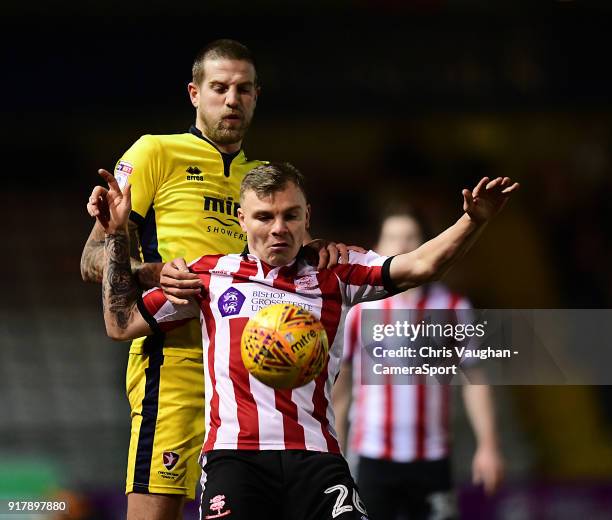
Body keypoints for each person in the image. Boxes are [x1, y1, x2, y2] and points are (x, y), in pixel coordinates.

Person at [93, 161, 518, 519]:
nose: (279, 228)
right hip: (235, 458)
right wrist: (115, 235)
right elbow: (121, 324)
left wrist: (473, 220)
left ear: (307, 216)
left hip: (317, 458)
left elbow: (421, 265)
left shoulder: (336, 272)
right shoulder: (208, 276)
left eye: (290, 216)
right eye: (264, 216)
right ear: (242, 219)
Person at [81, 39, 346, 519]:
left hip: (251, 382)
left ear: (256, 96)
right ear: (193, 94)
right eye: (219, 87)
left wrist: (312, 250)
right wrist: (151, 271)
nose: (231, 99)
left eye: (243, 89)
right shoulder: (156, 152)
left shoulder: (264, 179)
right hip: (175, 366)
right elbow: (92, 257)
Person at [333, 210, 505, 520]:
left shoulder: (452, 307)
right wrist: (337, 454)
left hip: (432, 458)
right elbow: (341, 388)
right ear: (378, 247)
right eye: (393, 237)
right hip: (371, 458)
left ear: (425, 245)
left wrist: (488, 446)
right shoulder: (360, 308)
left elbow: (474, 379)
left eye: (410, 237)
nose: (402, 244)